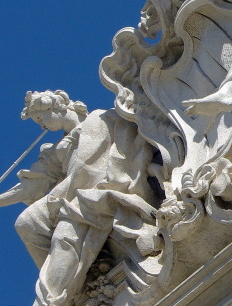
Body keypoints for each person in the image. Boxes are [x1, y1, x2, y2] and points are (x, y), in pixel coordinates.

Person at [0, 90, 159, 306]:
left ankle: (53, 298)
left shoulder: (100, 119)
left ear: (55, 107)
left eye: (40, 117)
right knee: (26, 223)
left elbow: (97, 164)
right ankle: (75, 282)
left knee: (66, 231)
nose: (42, 125)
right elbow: (34, 184)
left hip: (95, 189)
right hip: (71, 192)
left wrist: (65, 193)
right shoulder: (54, 150)